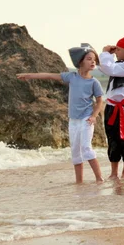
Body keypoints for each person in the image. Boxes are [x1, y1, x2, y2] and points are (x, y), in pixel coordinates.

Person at [16, 48, 104, 184]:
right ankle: (79, 182)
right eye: (89, 59)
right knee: (75, 152)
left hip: (86, 120)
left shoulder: (94, 82)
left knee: (86, 148)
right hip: (73, 121)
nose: (93, 62)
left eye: (94, 60)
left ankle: (99, 179)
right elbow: (50, 76)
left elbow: (99, 102)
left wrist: (94, 116)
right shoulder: (72, 77)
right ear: (80, 62)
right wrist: (29, 75)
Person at [98, 37, 124, 179]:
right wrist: (108, 55)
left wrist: (105, 53)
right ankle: (114, 172)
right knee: (112, 138)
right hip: (111, 107)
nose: (116, 52)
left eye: (119, 50)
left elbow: (108, 68)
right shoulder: (117, 64)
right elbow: (103, 66)